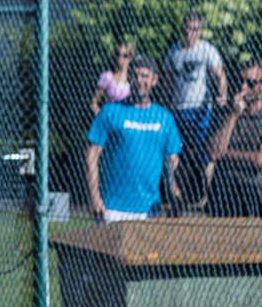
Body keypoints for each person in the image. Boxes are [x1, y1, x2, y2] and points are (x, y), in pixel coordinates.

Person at [85, 54, 183, 222]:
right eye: (135, 75)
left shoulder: (165, 119)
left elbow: (173, 163)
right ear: (129, 78)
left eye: (145, 76)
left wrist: (176, 199)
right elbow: (91, 156)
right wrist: (94, 197)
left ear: (154, 79)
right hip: (112, 209)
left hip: (150, 212)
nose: (139, 80)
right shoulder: (110, 111)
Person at [162, 12, 227, 205]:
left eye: (195, 29)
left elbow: (220, 75)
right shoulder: (174, 52)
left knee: (204, 154)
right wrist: (166, 107)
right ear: (183, 29)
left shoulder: (207, 50)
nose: (191, 32)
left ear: (200, 30)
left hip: (201, 111)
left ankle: (208, 197)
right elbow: (167, 81)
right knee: (177, 153)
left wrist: (222, 94)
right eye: (188, 28)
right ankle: (177, 197)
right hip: (179, 110)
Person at [204, 59, 262, 217]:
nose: (243, 87)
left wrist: (226, 153)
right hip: (223, 194)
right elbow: (213, 153)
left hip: (254, 193)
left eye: (251, 83)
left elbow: (259, 160)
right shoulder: (225, 112)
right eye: (240, 81)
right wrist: (233, 115)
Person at [90, 39, 134, 115]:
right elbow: (94, 103)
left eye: (125, 55)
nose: (120, 58)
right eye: (118, 54)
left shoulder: (133, 80)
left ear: (130, 58)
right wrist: (103, 118)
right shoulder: (107, 77)